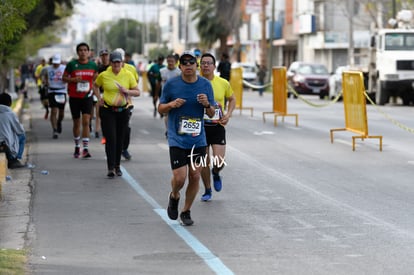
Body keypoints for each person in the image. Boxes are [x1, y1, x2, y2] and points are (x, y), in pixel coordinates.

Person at [158, 51, 215, 226]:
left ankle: (186, 211)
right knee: (180, 178)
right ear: (180, 66)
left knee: (195, 175)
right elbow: (160, 108)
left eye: (191, 62)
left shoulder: (205, 85)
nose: (188, 65)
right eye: (184, 63)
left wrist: (206, 104)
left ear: (195, 66)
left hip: (198, 139)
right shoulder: (171, 85)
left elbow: (212, 113)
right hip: (177, 138)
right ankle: (174, 195)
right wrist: (171, 105)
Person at [94, 51, 140, 178]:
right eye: (114, 62)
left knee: (120, 139)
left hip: (123, 111)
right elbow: (95, 85)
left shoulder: (128, 74)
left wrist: (127, 91)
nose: (116, 65)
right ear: (110, 63)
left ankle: (117, 166)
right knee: (111, 139)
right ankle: (110, 167)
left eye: (118, 62)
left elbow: (137, 92)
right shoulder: (104, 75)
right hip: (108, 110)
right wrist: (99, 98)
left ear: (122, 62)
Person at [199, 53, 236, 201]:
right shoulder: (195, 83)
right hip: (200, 127)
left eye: (209, 63)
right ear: (199, 66)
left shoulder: (223, 83)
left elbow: (232, 99)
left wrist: (228, 114)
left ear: (214, 66)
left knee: (219, 161)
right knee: (204, 162)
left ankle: (216, 172)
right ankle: (208, 190)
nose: (206, 65)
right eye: (203, 63)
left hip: (217, 125)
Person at [63, 42, 98, 158]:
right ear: (77, 52)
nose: (83, 52)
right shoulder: (72, 65)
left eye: (85, 50)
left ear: (88, 52)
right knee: (77, 123)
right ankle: (77, 146)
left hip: (87, 97)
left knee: (86, 122)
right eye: (81, 50)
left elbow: (96, 80)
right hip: (74, 97)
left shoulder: (93, 65)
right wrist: (73, 80)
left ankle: (86, 149)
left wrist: (95, 91)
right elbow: (63, 78)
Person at [113, 48, 139, 161]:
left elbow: (135, 85)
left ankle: (124, 148)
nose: (118, 62)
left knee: (126, 127)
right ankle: (113, 148)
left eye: (120, 59)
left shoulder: (131, 69)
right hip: (111, 103)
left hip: (127, 103)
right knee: (112, 128)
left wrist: (127, 90)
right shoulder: (109, 70)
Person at [0, 93, 26, 169]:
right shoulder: (10, 114)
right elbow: (20, 131)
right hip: (6, 145)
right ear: (10, 103)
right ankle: (15, 159)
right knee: (22, 135)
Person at [159, 54, 182, 137]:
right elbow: (159, 83)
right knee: (167, 114)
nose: (170, 63)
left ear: (175, 62)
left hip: (176, 95)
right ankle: (168, 130)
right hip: (166, 95)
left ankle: (176, 128)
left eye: (172, 61)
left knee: (176, 113)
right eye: (168, 61)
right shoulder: (162, 71)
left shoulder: (179, 72)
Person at [46, 54, 67, 139]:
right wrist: (45, 81)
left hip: (61, 91)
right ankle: (54, 130)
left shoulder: (64, 68)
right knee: (54, 110)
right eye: (54, 63)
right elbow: (43, 75)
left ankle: (59, 122)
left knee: (61, 113)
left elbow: (68, 77)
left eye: (57, 63)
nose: (55, 65)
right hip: (52, 91)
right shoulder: (48, 68)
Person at [95, 48, 111, 141]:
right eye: (103, 56)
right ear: (100, 57)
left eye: (106, 55)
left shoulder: (112, 67)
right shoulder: (99, 68)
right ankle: (97, 130)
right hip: (101, 93)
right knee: (98, 112)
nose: (105, 57)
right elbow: (95, 82)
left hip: (111, 93)